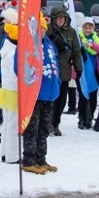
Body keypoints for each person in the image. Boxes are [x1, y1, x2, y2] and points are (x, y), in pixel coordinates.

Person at [21, 15, 60, 174]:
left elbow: (55, 63)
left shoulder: (49, 44)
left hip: (49, 94)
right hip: (35, 95)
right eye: (39, 28)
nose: (41, 31)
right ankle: (29, 160)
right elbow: (20, 66)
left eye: (43, 28)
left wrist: (57, 83)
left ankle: (41, 158)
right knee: (32, 129)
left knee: (44, 129)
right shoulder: (28, 44)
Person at [45, 5, 82, 136]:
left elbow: (76, 52)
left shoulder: (71, 32)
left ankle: (55, 123)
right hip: (49, 71)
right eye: (58, 18)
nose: (61, 20)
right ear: (54, 19)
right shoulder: (47, 30)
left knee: (61, 100)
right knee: (50, 99)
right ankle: (48, 123)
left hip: (64, 70)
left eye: (63, 18)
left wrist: (78, 67)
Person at [0, 8, 21, 164]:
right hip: (14, 89)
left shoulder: (6, 46)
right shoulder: (14, 51)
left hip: (7, 89)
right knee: (13, 123)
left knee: (7, 121)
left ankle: (5, 152)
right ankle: (13, 155)